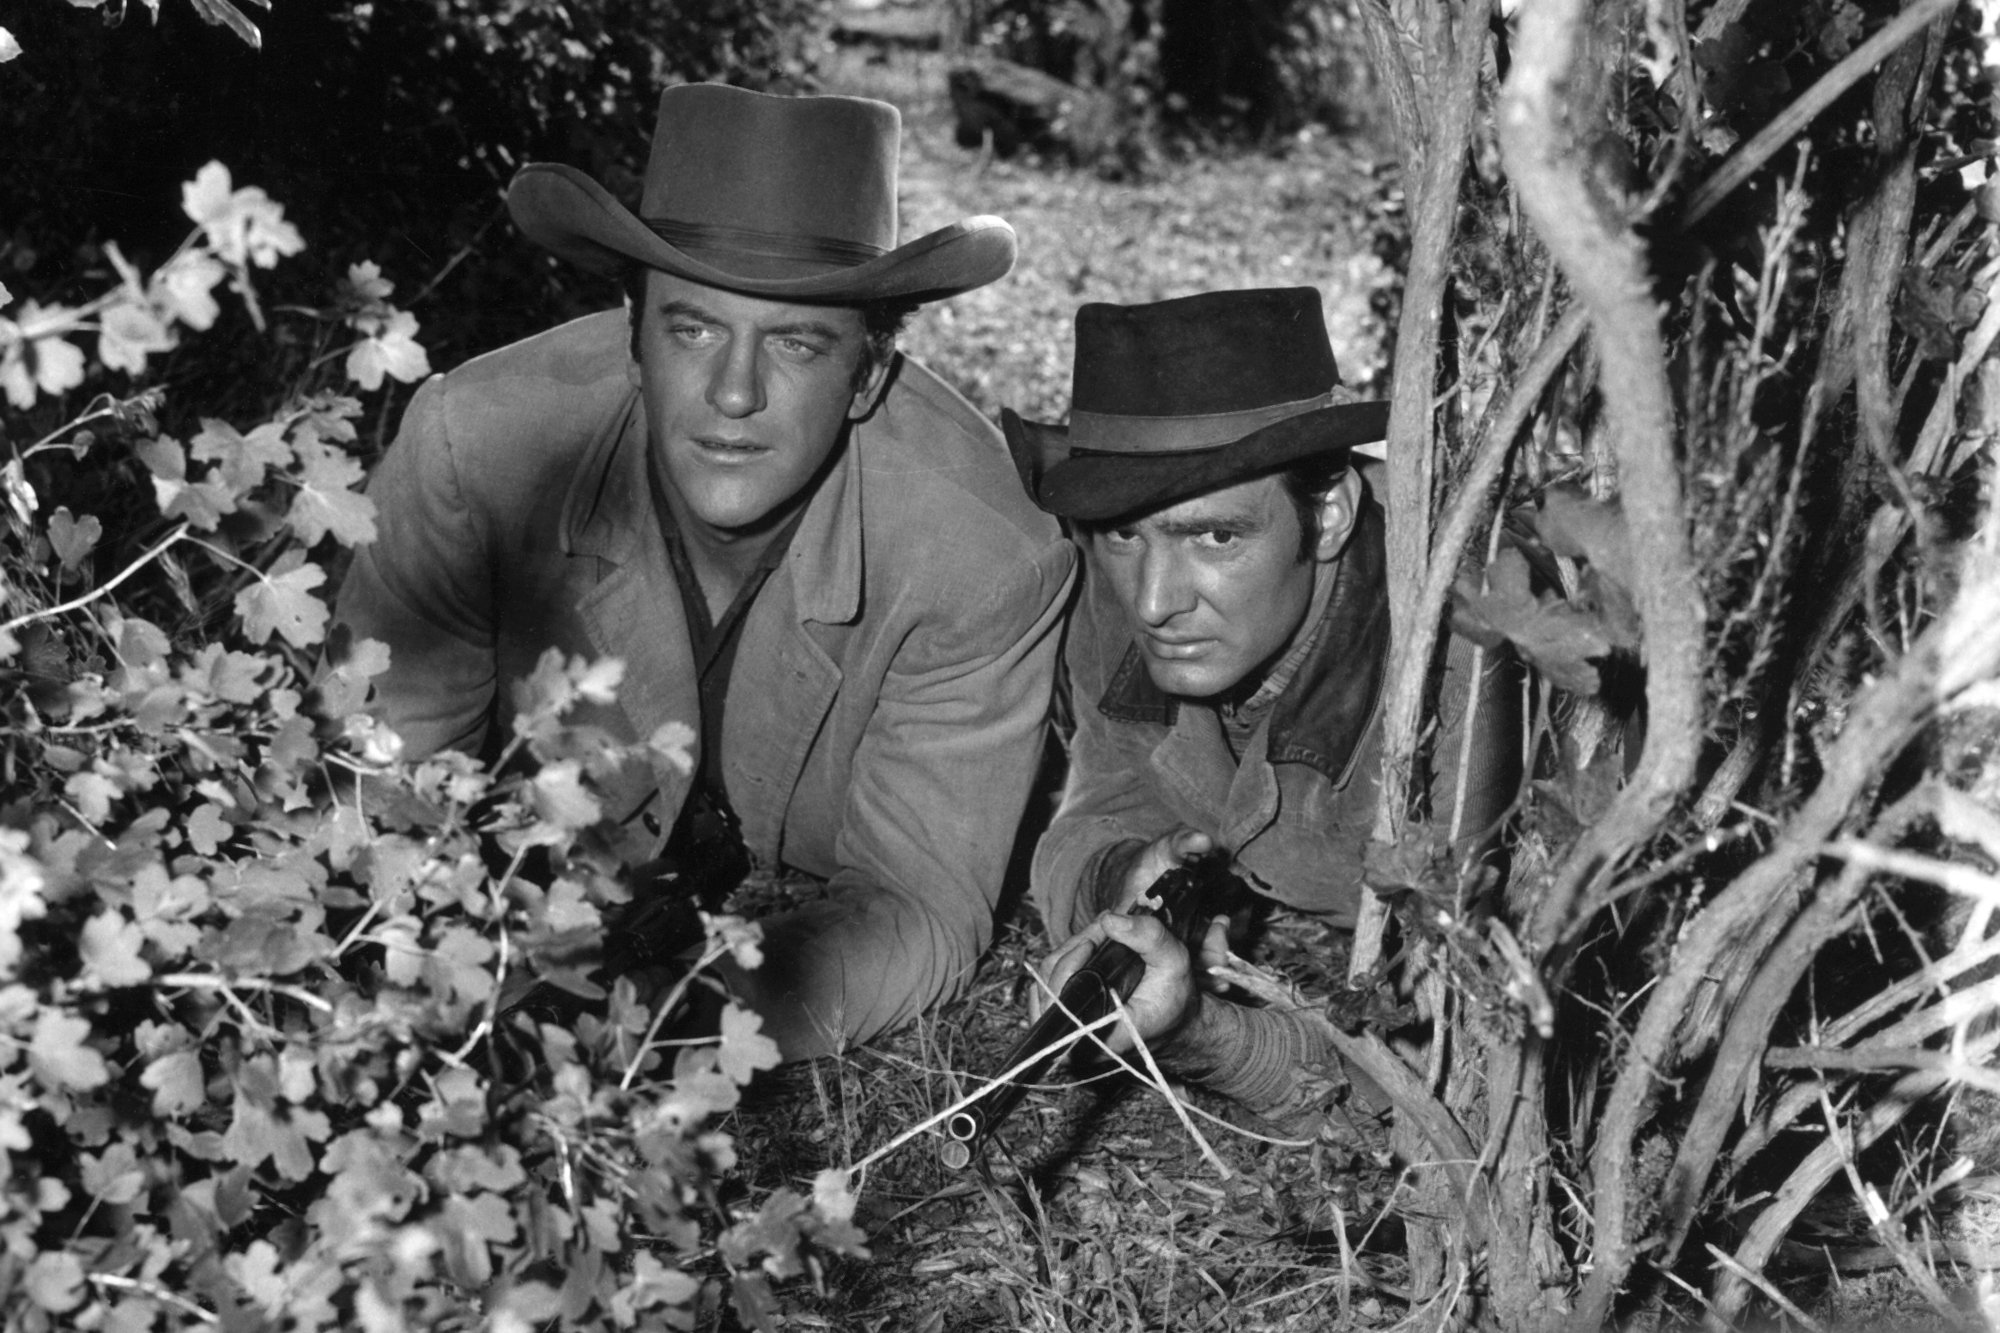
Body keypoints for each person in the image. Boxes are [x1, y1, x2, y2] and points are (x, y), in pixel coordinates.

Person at [334, 84, 1076, 1060]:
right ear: (631, 337)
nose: (733, 393)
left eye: (798, 344)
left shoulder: (981, 555)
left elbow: (921, 908)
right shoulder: (477, 453)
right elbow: (373, 784)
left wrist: (670, 1014)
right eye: (692, 330)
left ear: (867, 377)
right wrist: (451, 957)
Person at [1004, 288, 1512, 1127]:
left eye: (1217, 537)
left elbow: (1457, 1084)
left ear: (1331, 513)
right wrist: (1122, 876)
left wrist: (1202, 1032)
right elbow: (1099, 801)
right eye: (1129, 534)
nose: (1156, 601)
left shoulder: (1458, 652)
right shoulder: (1118, 566)